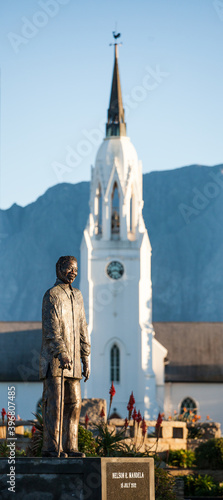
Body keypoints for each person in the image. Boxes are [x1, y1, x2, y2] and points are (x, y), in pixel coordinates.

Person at [39, 255, 90, 457]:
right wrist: (62, 352)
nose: (74, 272)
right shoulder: (51, 295)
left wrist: (86, 357)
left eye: (76, 269)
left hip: (74, 364)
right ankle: (52, 449)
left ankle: (71, 447)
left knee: (74, 404)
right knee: (55, 404)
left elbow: (82, 328)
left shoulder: (77, 296)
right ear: (59, 268)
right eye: (69, 268)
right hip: (55, 361)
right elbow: (50, 330)